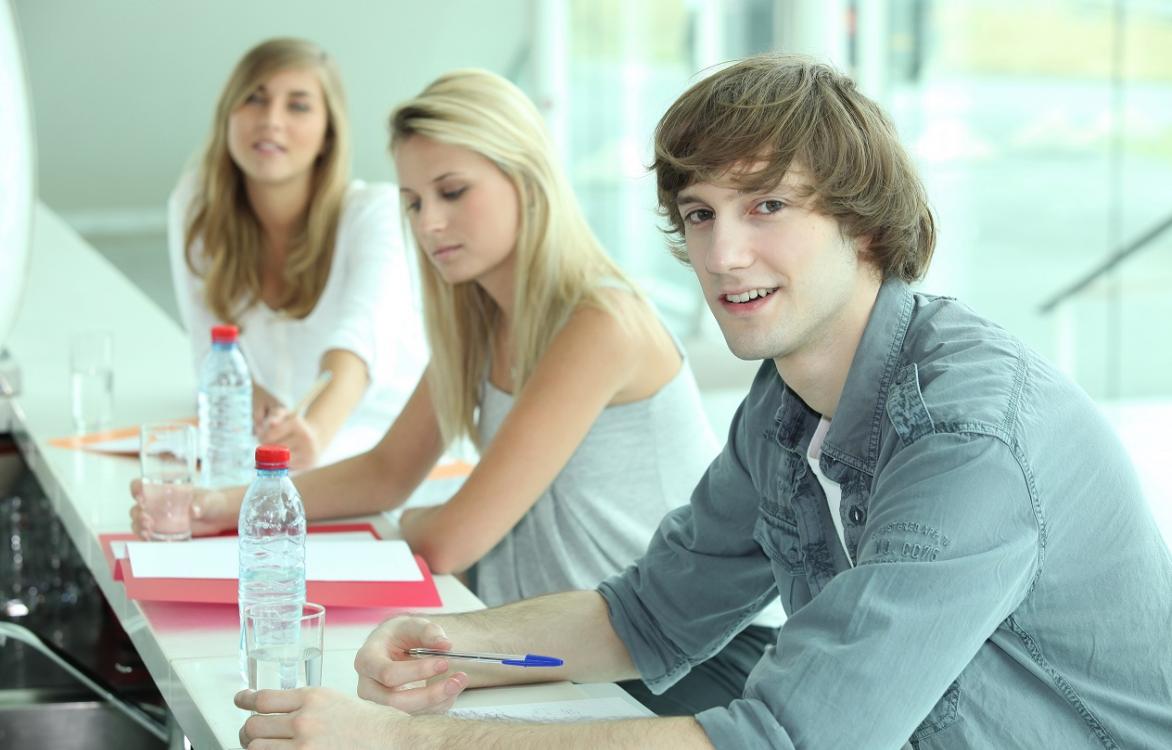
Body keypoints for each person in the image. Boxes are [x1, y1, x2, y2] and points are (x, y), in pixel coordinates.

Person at [235, 54, 1172, 749]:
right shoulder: (785, 405)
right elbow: (644, 618)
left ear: (863, 220)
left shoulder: (969, 435)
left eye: (767, 207)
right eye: (699, 214)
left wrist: (408, 741)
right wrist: (451, 642)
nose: (723, 257)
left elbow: (790, 740)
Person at [140, 68, 774, 713]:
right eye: (414, 202)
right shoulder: (478, 319)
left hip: (685, 661)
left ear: (525, 180)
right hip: (558, 654)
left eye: (452, 192)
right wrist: (216, 507)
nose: (430, 223)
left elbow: (452, 539)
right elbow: (388, 470)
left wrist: (408, 523)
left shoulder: (598, 324)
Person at [169, 37, 427, 469]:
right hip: (283, 457)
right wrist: (259, 408)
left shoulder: (375, 214)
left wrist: (313, 434)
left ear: (329, 134)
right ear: (227, 115)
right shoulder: (196, 208)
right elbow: (209, 351)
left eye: (298, 106)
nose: (271, 120)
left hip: (391, 452)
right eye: (254, 99)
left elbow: (357, 345)